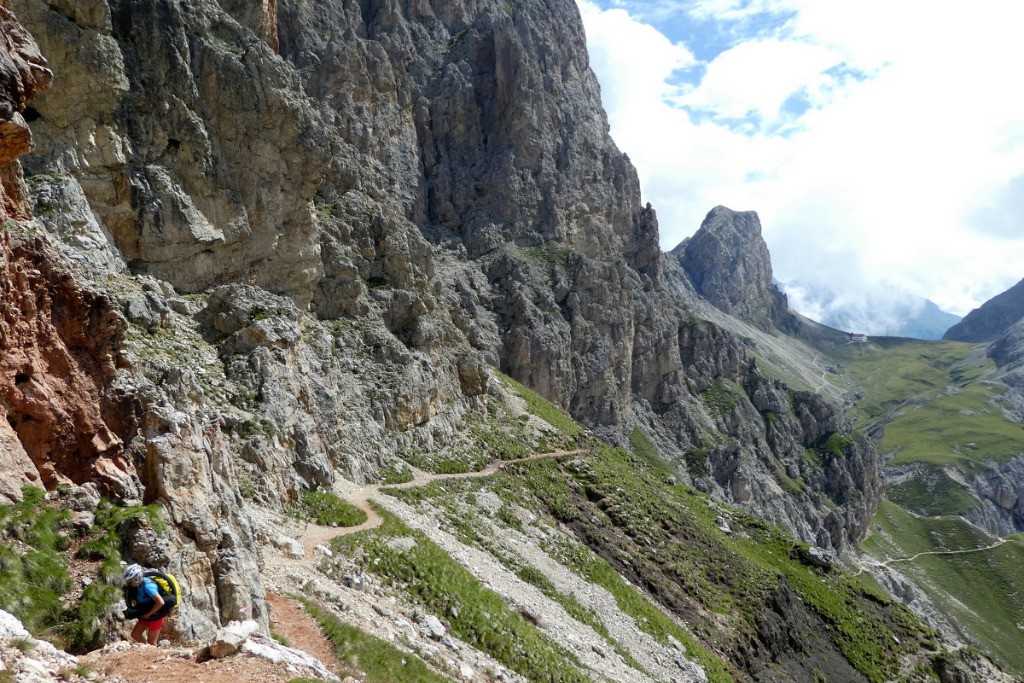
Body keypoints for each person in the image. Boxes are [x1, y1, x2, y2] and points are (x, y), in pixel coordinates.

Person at [123, 563, 166, 645]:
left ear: (136, 578)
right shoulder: (139, 585)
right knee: (135, 634)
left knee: (152, 642)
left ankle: (154, 655)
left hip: (157, 615)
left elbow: (160, 602)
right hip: (147, 612)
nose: (129, 584)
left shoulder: (148, 586)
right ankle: (146, 650)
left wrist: (149, 614)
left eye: (129, 581)